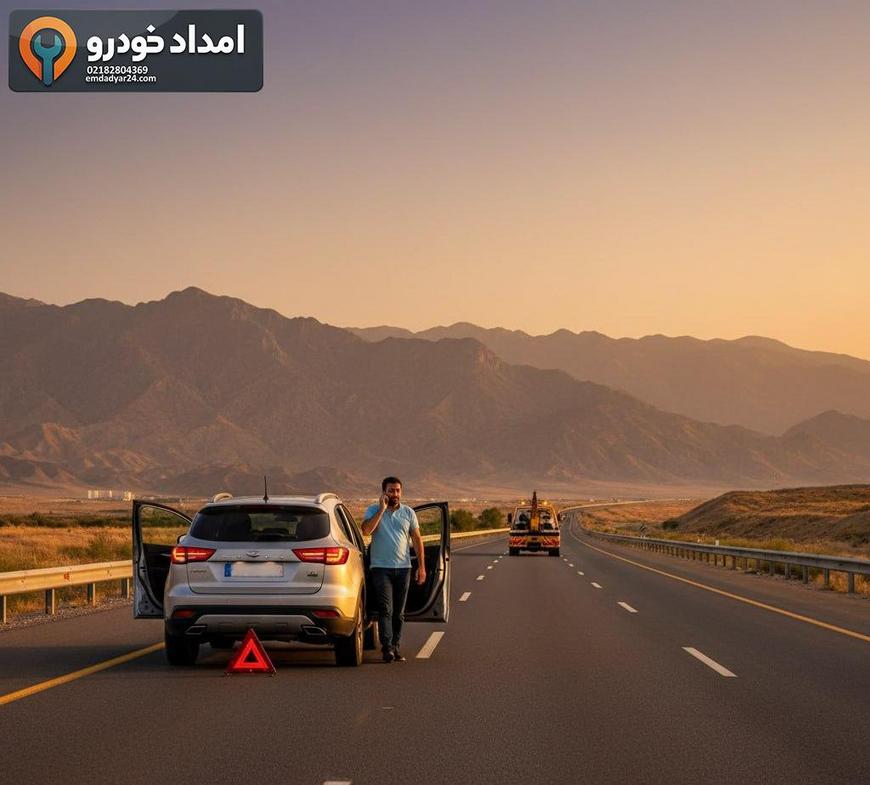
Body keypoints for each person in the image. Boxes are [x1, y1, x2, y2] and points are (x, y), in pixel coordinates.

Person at [362, 476, 426, 663]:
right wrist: (381, 509)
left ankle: (396, 647)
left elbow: (417, 539)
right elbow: (366, 530)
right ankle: (387, 648)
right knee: (386, 609)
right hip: (380, 568)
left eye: (397, 490)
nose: (395, 494)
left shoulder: (408, 513)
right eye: (391, 490)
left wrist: (421, 567)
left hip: (403, 568)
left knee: (398, 612)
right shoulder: (373, 510)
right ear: (384, 492)